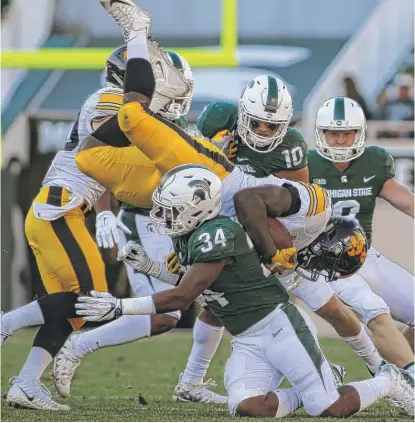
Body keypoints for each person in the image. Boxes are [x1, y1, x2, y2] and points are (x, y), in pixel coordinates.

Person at [75, 0, 392, 385]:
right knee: (130, 117)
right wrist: (274, 253)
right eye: (325, 263)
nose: (318, 269)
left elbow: (204, 272)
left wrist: (162, 262)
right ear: (327, 243)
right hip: (210, 173)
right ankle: (138, 33)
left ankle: (377, 370)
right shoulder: (316, 207)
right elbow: (246, 202)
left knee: (89, 159)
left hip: (190, 206)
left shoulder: (289, 250)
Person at [75, 164, 414, 418]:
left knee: (327, 407)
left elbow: (183, 296)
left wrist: (120, 308)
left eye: (171, 210)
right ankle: (315, 383)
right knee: (247, 406)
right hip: (248, 338)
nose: (163, 217)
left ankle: (389, 380)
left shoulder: (218, 234)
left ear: (197, 208)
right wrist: (151, 267)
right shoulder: (189, 235)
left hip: (280, 329)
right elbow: (199, 286)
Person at [1, 37, 193, 410]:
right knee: (91, 299)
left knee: (74, 313)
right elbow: (106, 153)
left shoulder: (121, 105)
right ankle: (7, 322)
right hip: (60, 208)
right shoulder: (109, 99)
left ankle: (26, 383)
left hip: (64, 210)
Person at [308, 96, 415, 369]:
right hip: (321, 265)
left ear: (360, 133)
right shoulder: (305, 166)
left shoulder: (375, 161)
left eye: (347, 133)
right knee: (375, 313)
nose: (341, 141)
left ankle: (396, 374)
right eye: (334, 133)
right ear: (322, 134)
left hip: (363, 255)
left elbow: (406, 201)